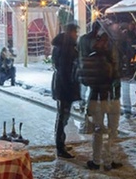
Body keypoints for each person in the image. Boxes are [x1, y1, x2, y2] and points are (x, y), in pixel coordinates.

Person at [80, 33, 122, 170]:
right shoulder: (112, 59)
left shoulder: (91, 59)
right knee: (112, 130)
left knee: (99, 130)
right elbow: (117, 79)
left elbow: (84, 80)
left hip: (98, 98)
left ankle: (97, 161)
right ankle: (109, 160)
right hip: (113, 97)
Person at [52, 23, 80, 158]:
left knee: (63, 117)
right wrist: (69, 87)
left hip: (63, 85)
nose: (77, 35)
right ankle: (60, 147)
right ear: (71, 32)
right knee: (63, 117)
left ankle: (61, 143)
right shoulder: (66, 47)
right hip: (65, 87)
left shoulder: (63, 46)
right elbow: (65, 69)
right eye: (75, 33)